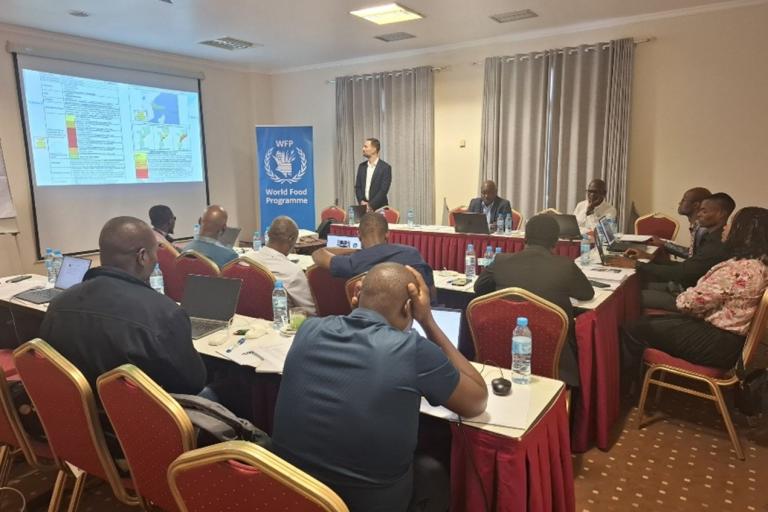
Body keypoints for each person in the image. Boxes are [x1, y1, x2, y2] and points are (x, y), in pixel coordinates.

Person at [272, 263, 488, 512]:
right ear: (409, 307)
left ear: (356, 296)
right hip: (369, 502)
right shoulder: (412, 350)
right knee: (433, 471)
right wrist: (427, 321)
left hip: (293, 490)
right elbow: (477, 401)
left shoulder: (308, 329)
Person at [39, 216, 206, 394]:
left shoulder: (58, 305)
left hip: (79, 414)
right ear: (142, 256)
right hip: (147, 416)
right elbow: (193, 384)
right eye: (154, 253)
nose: (156, 259)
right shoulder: (165, 313)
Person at [622, 207, 768, 384]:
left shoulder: (737, 271)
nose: (725, 227)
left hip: (715, 344)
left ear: (744, 233)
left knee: (633, 328)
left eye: (732, 223)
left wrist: (692, 291)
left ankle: (629, 386)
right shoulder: (758, 266)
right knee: (647, 323)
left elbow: (686, 303)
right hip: (729, 343)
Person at [474, 214, 594, 387]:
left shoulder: (501, 261)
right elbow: (586, 293)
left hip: (500, 355)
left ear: (525, 238)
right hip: (555, 362)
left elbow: (480, 288)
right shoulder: (565, 266)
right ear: (555, 241)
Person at [628, 193, 735, 310]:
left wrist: (639, 264)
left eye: (704, 211)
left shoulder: (715, 243)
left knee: (629, 296)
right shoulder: (710, 237)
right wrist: (651, 259)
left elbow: (682, 273)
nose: (698, 214)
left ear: (721, 214)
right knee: (634, 287)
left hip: (689, 296)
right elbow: (688, 267)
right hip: (688, 287)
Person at [311, 212, 436, 300]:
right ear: (387, 234)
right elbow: (430, 291)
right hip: (416, 319)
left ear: (359, 235)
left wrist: (355, 250)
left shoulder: (355, 261)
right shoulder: (412, 253)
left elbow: (318, 254)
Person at [248, 216, 316, 315]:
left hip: (249, 322)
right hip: (284, 326)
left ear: (268, 234)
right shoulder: (293, 272)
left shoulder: (247, 260)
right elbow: (310, 312)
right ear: (291, 239)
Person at [655, 187, 711, 259]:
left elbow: (693, 257)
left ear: (695, 205)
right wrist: (664, 244)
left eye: (683, 200)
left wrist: (664, 244)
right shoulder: (697, 225)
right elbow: (692, 253)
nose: (679, 203)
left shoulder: (702, 229)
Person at [354, 138, 392, 212]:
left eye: (366, 146)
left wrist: (370, 205)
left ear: (374, 149)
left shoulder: (385, 168)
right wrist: (362, 202)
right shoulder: (362, 166)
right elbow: (358, 187)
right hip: (363, 209)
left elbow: (383, 190)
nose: (363, 149)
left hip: (380, 209)